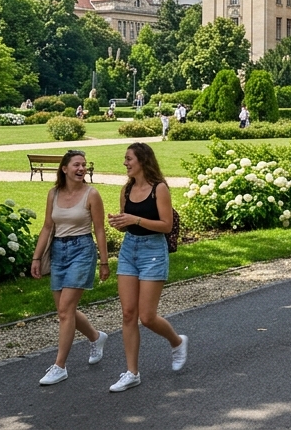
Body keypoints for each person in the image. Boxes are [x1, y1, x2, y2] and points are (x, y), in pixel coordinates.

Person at [107, 143, 188, 392]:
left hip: (153, 251)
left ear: (142, 160)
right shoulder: (126, 189)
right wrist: (120, 223)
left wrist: (135, 219)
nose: (125, 163)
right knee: (128, 313)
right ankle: (132, 372)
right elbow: (127, 222)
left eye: (129, 159)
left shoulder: (159, 189)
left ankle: (177, 341)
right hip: (129, 250)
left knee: (147, 316)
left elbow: (166, 225)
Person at [30, 150, 110, 386]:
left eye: (84, 165)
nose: (81, 169)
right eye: (76, 164)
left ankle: (59, 366)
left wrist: (104, 261)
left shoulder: (92, 194)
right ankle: (96, 337)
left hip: (82, 250)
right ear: (64, 168)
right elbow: (47, 227)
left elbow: (100, 230)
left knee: (65, 310)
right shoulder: (53, 193)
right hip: (58, 252)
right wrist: (36, 258)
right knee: (65, 311)